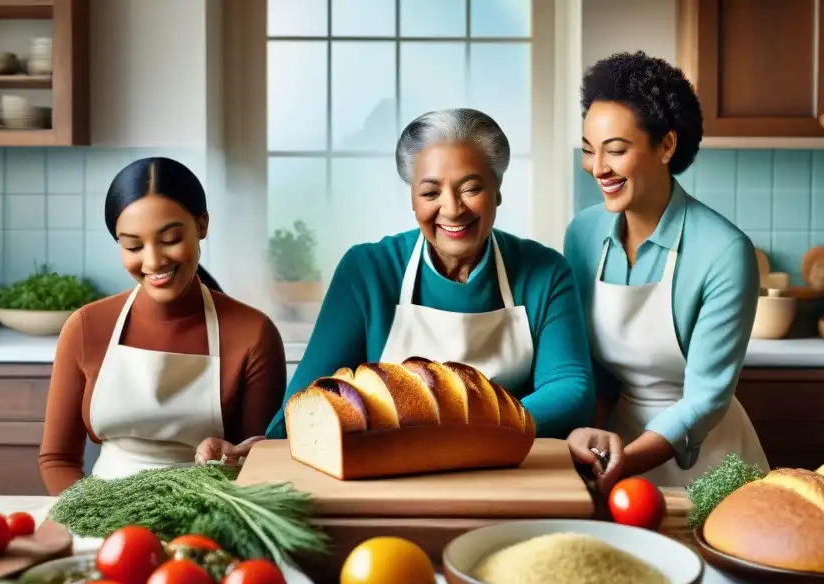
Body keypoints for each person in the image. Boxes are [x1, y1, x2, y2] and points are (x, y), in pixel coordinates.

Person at [197, 107, 594, 464]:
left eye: (471, 188)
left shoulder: (544, 271)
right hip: (394, 470)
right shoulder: (368, 269)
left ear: (498, 191)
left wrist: (459, 435)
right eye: (431, 192)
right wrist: (267, 445)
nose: (452, 209)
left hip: (510, 471)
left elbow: (571, 388)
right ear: (412, 197)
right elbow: (310, 394)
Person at [564, 51, 769, 493]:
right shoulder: (582, 233)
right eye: (588, 150)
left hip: (708, 460)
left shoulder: (724, 251)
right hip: (614, 447)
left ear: (667, 146)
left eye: (616, 150)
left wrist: (622, 463)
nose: (598, 168)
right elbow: (593, 368)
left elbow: (706, 399)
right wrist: (595, 449)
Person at [38, 156, 288, 494]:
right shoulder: (85, 327)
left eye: (170, 239)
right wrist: (100, 521)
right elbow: (57, 461)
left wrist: (232, 461)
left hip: (210, 523)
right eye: (133, 246)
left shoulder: (253, 334)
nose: (153, 261)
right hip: (100, 524)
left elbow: (258, 465)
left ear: (201, 226)